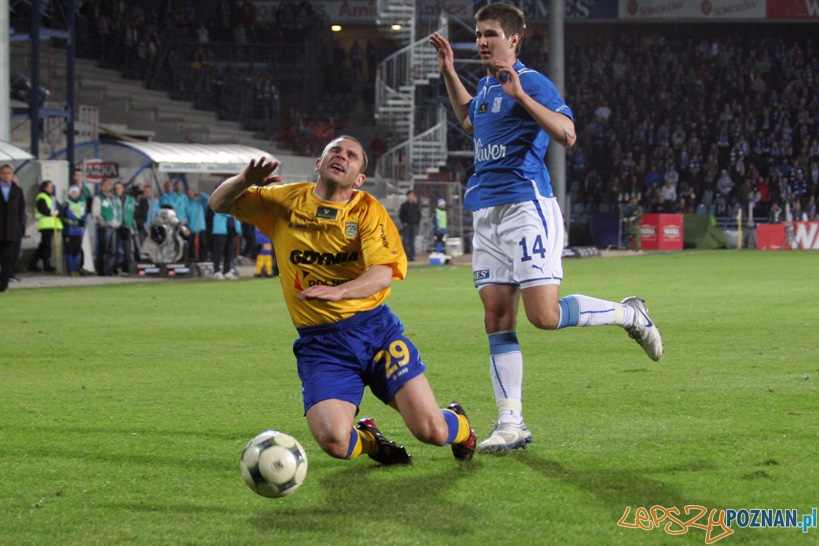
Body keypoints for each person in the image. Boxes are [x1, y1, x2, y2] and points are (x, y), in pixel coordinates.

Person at [430, 3, 663, 454]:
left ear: (514, 39)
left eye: (491, 33)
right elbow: (468, 120)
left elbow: (567, 134)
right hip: (487, 213)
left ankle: (632, 315)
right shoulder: (482, 86)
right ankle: (510, 423)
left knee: (544, 316)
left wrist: (522, 97)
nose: (482, 41)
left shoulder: (530, 81)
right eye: (479, 33)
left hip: (526, 208)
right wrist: (448, 71)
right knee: (496, 318)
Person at [208, 135, 477, 465]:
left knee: (431, 431)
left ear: (359, 179)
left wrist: (340, 291)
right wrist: (245, 181)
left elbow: (382, 273)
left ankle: (461, 424)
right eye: (334, 150)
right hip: (322, 344)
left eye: (352, 155)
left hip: (375, 332)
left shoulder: (367, 211)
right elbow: (218, 204)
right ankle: (372, 441)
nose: (342, 156)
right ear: (319, 164)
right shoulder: (285, 202)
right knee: (336, 442)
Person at [0, 164, 26, 292]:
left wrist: (19, 229)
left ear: (12, 175)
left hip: (11, 232)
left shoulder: (17, 191)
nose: (6, 175)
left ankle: (3, 285)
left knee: (7, 260)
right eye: (4, 173)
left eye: (8, 173)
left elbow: (21, 212)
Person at [29, 180, 63, 273]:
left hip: (52, 224)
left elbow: (60, 208)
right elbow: (44, 210)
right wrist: (55, 213)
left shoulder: (52, 198)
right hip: (45, 224)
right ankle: (44, 263)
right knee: (46, 245)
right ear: (44, 187)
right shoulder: (41, 197)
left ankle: (36, 263)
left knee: (44, 245)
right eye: (50, 186)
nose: (51, 188)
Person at [92, 179, 122, 276]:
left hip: (115, 226)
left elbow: (119, 211)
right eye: (104, 185)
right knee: (104, 249)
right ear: (101, 187)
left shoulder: (115, 198)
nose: (106, 187)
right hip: (105, 227)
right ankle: (102, 270)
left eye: (108, 185)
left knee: (113, 250)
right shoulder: (98, 198)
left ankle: (109, 270)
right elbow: (96, 213)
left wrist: (119, 222)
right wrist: (103, 222)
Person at [61, 185, 87, 276]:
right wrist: (77, 220)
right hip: (69, 230)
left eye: (76, 192)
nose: (74, 194)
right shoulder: (66, 203)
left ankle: (75, 269)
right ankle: (71, 270)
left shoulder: (81, 204)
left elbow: (84, 215)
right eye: (73, 192)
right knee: (69, 250)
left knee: (76, 251)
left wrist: (83, 221)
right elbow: (67, 214)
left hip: (78, 231)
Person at [210, 205, 240, 280]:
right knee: (218, 251)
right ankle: (216, 270)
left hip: (233, 229)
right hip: (220, 230)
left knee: (230, 251)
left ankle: (227, 270)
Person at [113, 181, 136, 275]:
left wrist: (130, 225)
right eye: (116, 188)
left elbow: (132, 213)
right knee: (114, 249)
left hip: (126, 226)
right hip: (116, 226)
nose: (118, 190)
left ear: (123, 189)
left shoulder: (130, 200)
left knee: (127, 249)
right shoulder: (112, 199)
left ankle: (126, 269)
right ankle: (115, 268)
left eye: (119, 188)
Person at [398, 190, 421, 261]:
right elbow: (401, 215)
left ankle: (412, 255)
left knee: (412, 241)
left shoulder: (416, 205)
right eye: (410, 195)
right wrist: (404, 222)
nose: (411, 197)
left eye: (412, 195)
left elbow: (419, 215)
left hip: (414, 225)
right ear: (407, 196)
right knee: (406, 241)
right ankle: (407, 256)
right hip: (407, 225)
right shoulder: (404, 205)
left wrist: (417, 223)